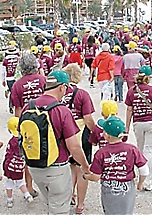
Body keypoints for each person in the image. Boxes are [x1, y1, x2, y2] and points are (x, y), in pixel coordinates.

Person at [21, 70, 90, 214]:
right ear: (62, 87)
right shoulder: (61, 110)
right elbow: (74, 147)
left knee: (50, 203)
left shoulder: (28, 107)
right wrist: (84, 166)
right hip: (56, 168)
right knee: (59, 209)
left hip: (34, 166)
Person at [84, 116, 148, 215]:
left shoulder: (101, 153)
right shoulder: (132, 149)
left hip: (109, 188)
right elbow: (144, 170)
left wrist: (85, 176)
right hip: (127, 187)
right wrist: (140, 183)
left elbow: (96, 177)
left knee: (110, 211)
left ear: (106, 135)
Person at [61, 63, 96, 214]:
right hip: (80, 134)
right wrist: (96, 133)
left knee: (69, 168)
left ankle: (69, 195)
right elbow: (88, 118)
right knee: (82, 167)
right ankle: (80, 204)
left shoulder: (59, 92)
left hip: (63, 134)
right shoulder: (82, 94)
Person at [125, 65, 152, 191]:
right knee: (150, 151)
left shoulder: (132, 91)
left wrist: (126, 127)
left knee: (141, 149)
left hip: (138, 122)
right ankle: (147, 181)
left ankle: (141, 176)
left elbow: (129, 109)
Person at [11, 53, 46, 197]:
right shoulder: (43, 79)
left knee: (28, 155)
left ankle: (30, 187)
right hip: (44, 120)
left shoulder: (17, 85)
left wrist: (19, 128)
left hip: (27, 123)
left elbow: (17, 109)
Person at [4, 117, 33, 208]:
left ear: (9, 130)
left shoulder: (12, 141)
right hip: (20, 165)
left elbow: (8, 153)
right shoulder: (25, 139)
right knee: (20, 181)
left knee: (9, 182)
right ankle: (27, 194)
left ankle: (9, 199)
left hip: (10, 165)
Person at [2, 44, 20, 114]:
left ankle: (11, 104)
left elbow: (3, 71)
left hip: (9, 78)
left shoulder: (5, 60)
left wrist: (3, 80)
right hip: (17, 78)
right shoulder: (18, 58)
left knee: (12, 91)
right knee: (17, 92)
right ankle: (16, 105)